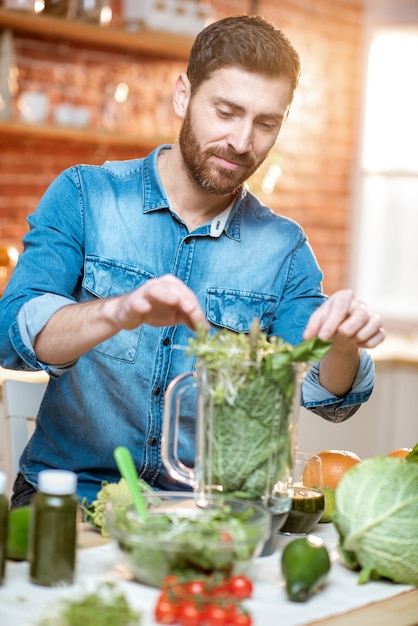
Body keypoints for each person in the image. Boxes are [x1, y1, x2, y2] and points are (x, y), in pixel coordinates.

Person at [0, 15, 384, 507]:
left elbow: (328, 399)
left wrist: (342, 347)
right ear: (183, 95)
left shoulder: (283, 249)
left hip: (209, 512)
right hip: (67, 499)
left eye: (266, 123)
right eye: (226, 112)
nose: (243, 143)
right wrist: (118, 311)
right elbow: (14, 332)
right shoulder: (84, 195)